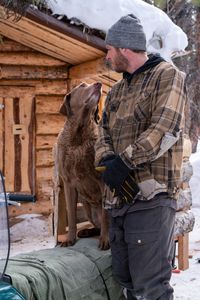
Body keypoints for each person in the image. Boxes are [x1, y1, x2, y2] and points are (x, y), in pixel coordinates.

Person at [94, 14, 187, 300]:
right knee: (126, 282)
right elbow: (102, 132)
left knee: (151, 287)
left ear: (124, 48)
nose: (107, 55)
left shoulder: (167, 75)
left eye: (109, 49)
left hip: (151, 199)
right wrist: (108, 162)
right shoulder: (117, 90)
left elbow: (163, 128)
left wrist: (123, 163)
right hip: (117, 201)